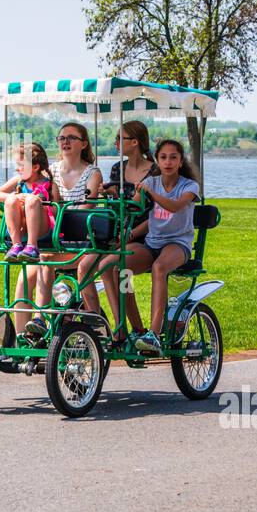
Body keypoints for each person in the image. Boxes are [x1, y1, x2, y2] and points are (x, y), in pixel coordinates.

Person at [99, 139, 201, 355]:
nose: (168, 162)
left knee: (159, 268)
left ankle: (154, 334)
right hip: (152, 243)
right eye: (163, 157)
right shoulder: (151, 182)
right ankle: (133, 329)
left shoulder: (189, 186)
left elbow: (173, 207)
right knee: (115, 267)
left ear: (181, 161)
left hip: (177, 244)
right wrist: (113, 195)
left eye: (173, 157)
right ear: (157, 160)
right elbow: (133, 207)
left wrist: (150, 192)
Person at [14, 123, 104, 341]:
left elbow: (83, 214)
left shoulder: (93, 173)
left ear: (83, 144)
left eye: (71, 138)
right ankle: (22, 338)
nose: (65, 141)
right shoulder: (51, 171)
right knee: (24, 276)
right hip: (55, 239)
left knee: (45, 258)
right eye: (61, 137)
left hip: (80, 239)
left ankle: (40, 317)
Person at [97, 120, 159, 345]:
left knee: (115, 267)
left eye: (119, 138)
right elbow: (117, 204)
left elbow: (156, 215)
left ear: (135, 142)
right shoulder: (117, 168)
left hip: (144, 237)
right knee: (112, 268)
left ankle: (129, 329)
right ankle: (126, 326)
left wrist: (131, 234)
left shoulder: (155, 171)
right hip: (120, 235)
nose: (115, 143)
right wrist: (110, 193)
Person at [0, 143, 57, 263]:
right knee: (10, 199)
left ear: (35, 167)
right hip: (19, 230)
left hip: (41, 231)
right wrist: (17, 196)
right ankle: (16, 245)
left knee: (32, 200)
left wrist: (39, 204)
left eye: (20, 165)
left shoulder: (51, 185)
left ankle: (32, 246)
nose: (16, 168)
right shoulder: (18, 181)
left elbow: (57, 212)